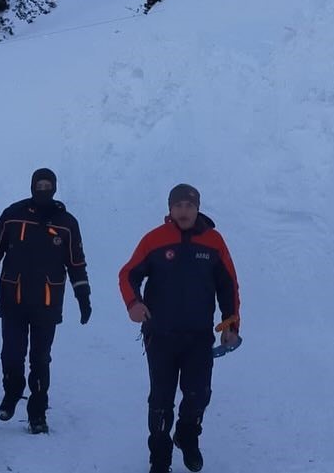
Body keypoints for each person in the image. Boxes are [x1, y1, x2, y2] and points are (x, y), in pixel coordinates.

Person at [119, 183, 241, 473]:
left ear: (197, 207)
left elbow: (228, 286)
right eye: (178, 206)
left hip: (198, 336)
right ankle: (159, 460)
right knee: (161, 399)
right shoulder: (155, 240)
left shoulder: (214, 242)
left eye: (189, 205)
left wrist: (230, 324)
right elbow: (127, 275)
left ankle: (187, 436)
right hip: (160, 334)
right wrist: (133, 303)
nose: (183, 211)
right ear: (170, 209)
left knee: (199, 394)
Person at [0, 168, 91, 434]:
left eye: (48, 185)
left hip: (47, 302)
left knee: (40, 358)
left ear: (55, 188)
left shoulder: (67, 223)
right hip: (13, 297)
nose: (43, 189)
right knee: (12, 353)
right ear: (32, 186)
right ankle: (12, 392)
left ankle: (37, 412)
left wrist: (83, 295)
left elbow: (76, 263)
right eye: (40, 184)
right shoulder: (13, 215)